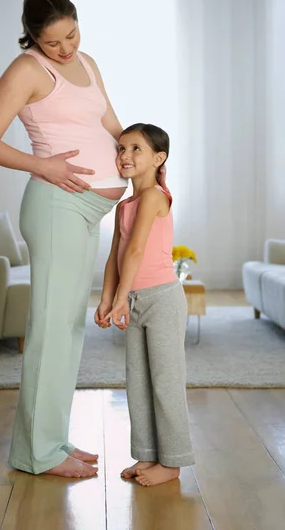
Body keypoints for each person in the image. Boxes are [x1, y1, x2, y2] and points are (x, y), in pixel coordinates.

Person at [0, 0, 128, 478]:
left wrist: (141, 168)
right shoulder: (26, 70)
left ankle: (54, 441)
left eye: (72, 35)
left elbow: (112, 126)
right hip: (58, 204)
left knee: (69, 329)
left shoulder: (89, 63)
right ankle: (37, 454)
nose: (66, 49)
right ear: (32, 37)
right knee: (49, 331)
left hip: (87, 209)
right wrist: (44, 165)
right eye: (53, 42)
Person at [95, 123, 195, 486]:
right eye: (122, 148)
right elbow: (115, 257)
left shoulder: (155, 195)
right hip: (133, 300)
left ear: (159, 158)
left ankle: (173, 462)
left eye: (136, 149)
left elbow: (137, 250)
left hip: (161, 299)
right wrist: (108, 299)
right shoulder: (125, 204)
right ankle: (148, 455)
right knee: (137, 382)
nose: (125, 155)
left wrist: (121, 299)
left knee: (166, 381)